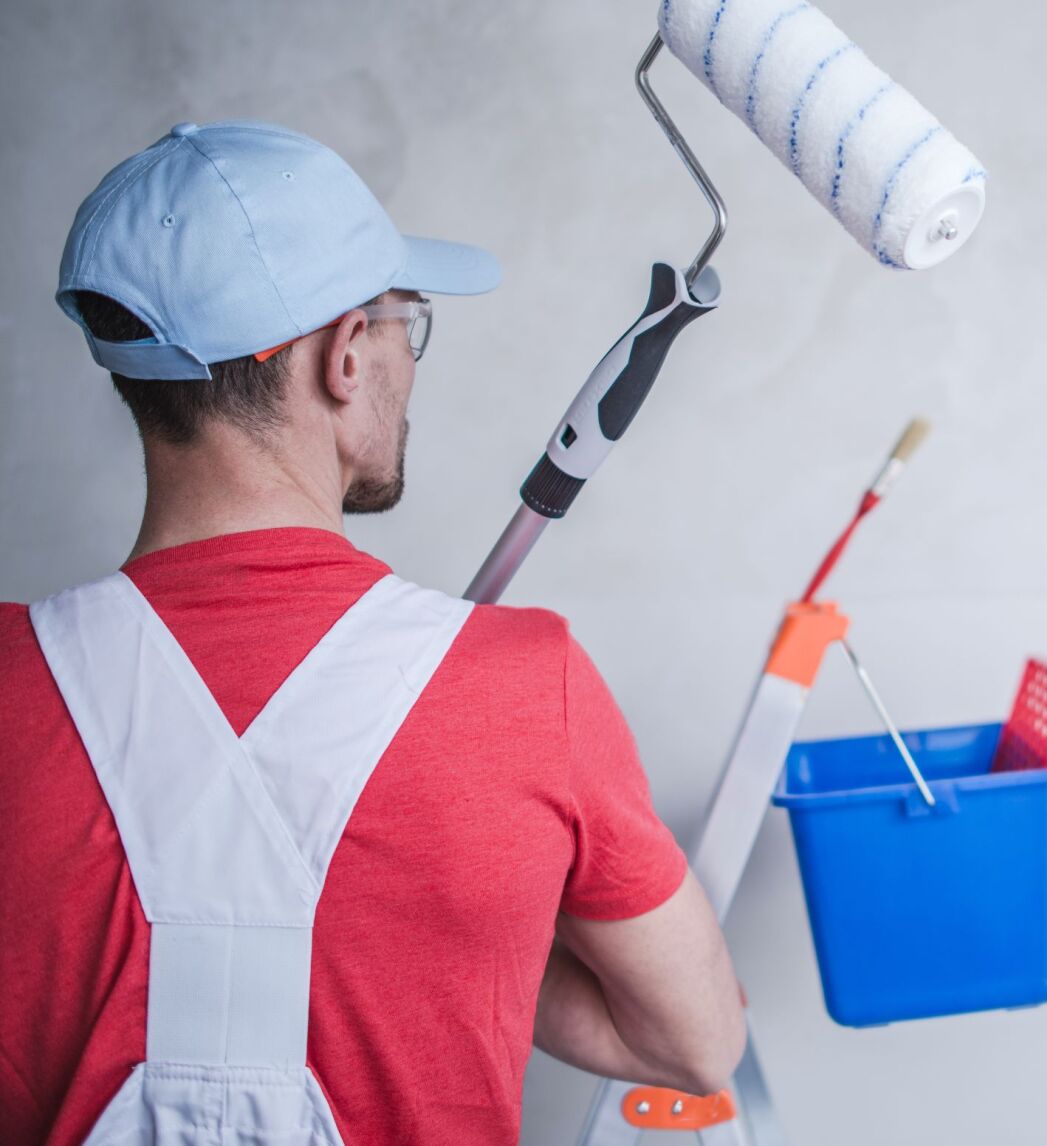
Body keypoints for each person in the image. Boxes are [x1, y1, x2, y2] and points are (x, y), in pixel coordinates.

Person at [0, 120, 745, 1144]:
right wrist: (467, 934)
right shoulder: (525, 690)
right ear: (346, 355)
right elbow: (697, 1041)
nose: (407, 357)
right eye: (405, 322)